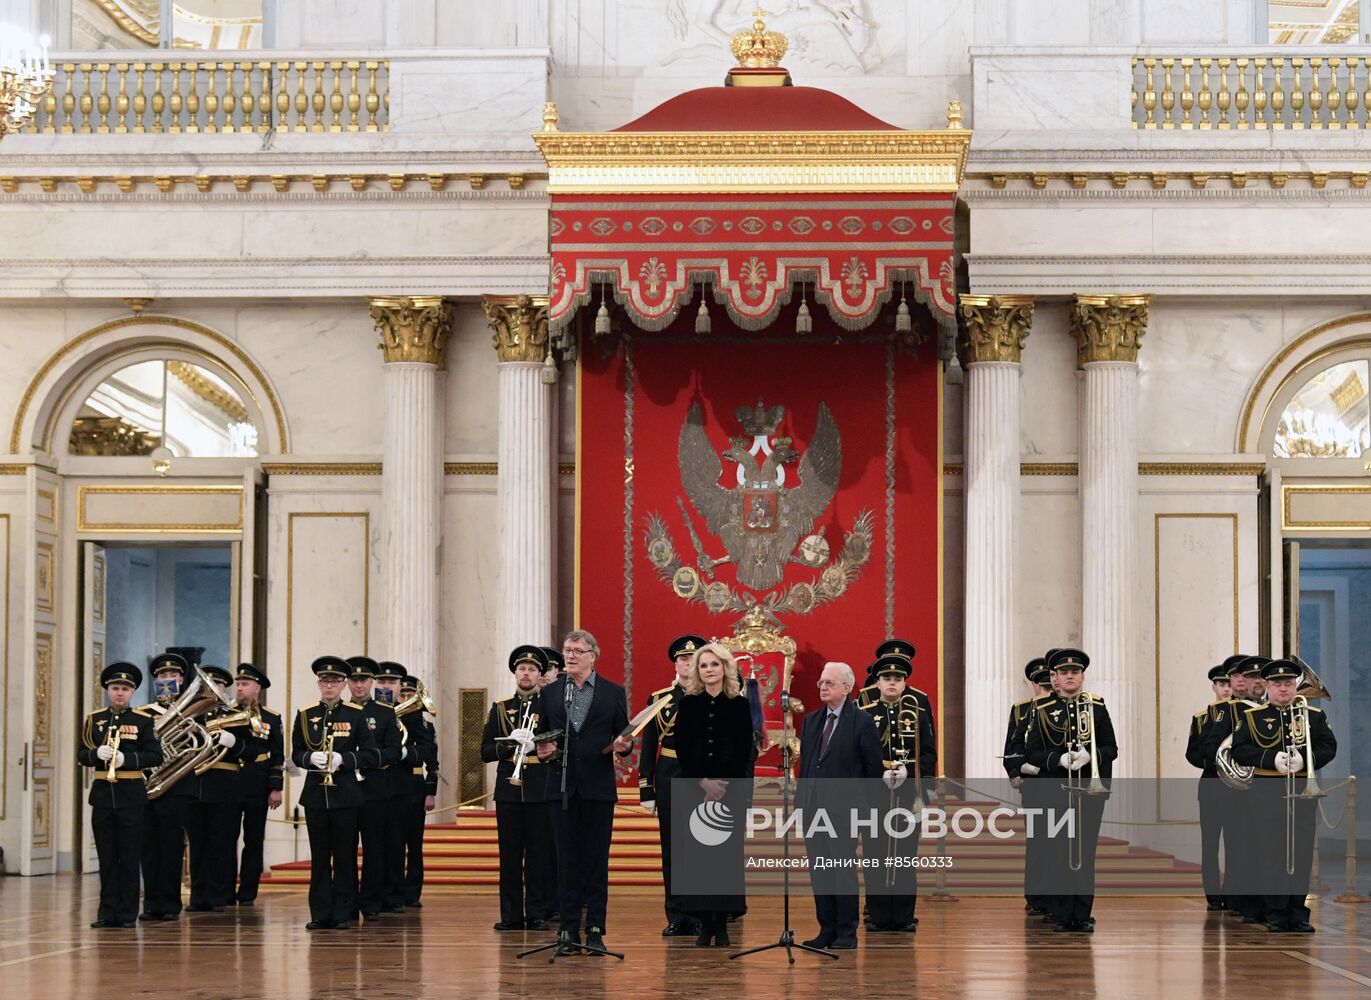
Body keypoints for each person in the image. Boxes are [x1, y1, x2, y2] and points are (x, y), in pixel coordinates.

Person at [533, 629, 631, 957]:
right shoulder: (549, 693)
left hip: (598, 789)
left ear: (593, 655)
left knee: (595, 862)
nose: (570, 655)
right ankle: (568, 928)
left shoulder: (613, 693)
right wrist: (541, 749)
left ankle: (595, 930)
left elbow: (624, 736)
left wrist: (624, 745)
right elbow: (542, 737)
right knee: (565, 862)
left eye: (578, 650)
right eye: (567, 650)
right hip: (560, 788)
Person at [1229, 658, 1337, 933]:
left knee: (1300, 852)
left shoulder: (1313, 715)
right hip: (1266, 791)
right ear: (1267, 685)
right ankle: (1276, 912)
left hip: (1302, 788)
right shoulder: (1251, 717)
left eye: (1289, 683)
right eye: (1278, 684)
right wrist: (1269, 758)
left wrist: (1305, 760)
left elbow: (1329, 746)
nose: (1285, 689)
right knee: (1271, 852)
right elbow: (1240, 750)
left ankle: (1298, 912)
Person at [1024, 648, 1117, 933]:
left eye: (1074, 672)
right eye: (1064, 673)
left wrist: (1092, 756)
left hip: (1090, 790)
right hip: (1055, 790)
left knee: (1085, 852)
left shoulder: (1097, 707)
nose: (1069, 676)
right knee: (1058, 852)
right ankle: (1064, 915)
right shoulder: (1041, 710)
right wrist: (1058, 759)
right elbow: (1032, 752)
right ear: (1055, 677)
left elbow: (1111, 748)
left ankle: (1082, 913)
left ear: (1082, 676)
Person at [673, 642, 754, 947]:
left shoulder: (739, 705)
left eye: (714, 664)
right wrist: (703, 782)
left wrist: (722, 786)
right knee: (698, 860)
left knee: (725, 860)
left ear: (725, 668)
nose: (709, 670)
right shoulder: (689, 704)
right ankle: (703, 923)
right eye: (704, 665)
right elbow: (682, 747)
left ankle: (721, 924)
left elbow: (744, 748)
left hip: (728, 792)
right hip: (695, 791)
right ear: (698, 671)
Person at [798, 661, 882, 950]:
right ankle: (827, 929)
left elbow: (873, 771)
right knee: (820, 871)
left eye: (829, 683)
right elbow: (806, 766)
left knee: (842, 871)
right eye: (821, 682)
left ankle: (847, 933)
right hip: (813, 810)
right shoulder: (810, 720)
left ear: (847, 688)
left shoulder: (862, 722)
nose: (822, 687)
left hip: (845, 812)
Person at [291, 655, 377, 930]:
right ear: (319, 684)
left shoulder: (355, 714)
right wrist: (308, 760)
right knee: (319, 857)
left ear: (343, 685)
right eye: (324, 681)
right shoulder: (306, 715)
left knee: (344, 856)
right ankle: (320, 913)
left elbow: (370, 754)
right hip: (316, 794)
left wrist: (345, 760)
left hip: (347, 794)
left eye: (335, 681)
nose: (329, 686)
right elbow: (296, 751)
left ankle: (343, 913)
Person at [80, 662, 164, 928]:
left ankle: (127, 913)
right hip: (104, 794)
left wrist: (127, 758)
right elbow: (81, 754)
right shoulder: (94, 720)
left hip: (130, 795)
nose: (120, 693)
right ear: (107, 690)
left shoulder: (142, 720)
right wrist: (95, 754)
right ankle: (107, 913)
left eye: (125, 689)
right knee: (107, 858)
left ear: (133, 692)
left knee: (129, 857)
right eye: (116, 688)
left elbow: (155, 755)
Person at [481, 645, 556, 931]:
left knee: (538, 854)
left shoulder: (548, 705)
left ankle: (536, 912)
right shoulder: (500, 707)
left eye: (532, 669)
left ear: (540, 675)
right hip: (508, 791)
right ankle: (510, 915)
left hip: (539, 788)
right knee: (509, 855)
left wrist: (537, 744)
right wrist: (510, 743)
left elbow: (559, 744)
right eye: (522, 669)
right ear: (515, 672)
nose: (527, 673)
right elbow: (485, 750)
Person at [860, 654, 935, 934]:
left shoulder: (919, 712)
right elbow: (857, 756)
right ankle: (878, 915)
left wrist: (912, 774)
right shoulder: (864, 714)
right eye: (887, 678)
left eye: (898, 679)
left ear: (905, 683)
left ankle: (904, 916)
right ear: (877, 683)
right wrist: (877, 772)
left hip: (907, 793)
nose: (892, 683)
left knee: (905, 854)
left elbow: (929, 754)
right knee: (875, 853)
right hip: (875, 793)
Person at [639, 633, 706, 938]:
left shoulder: (713, 696)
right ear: (676, 663)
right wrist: (645, 787)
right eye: (682, 659)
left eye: (692, 659)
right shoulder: (659, 699)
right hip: (668, 774)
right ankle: (677, 915)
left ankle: (701, 913)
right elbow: (648, 744)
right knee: (672, 850)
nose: (686, 663)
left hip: (701, 778)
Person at [137, 651, 197, 921]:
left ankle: (171, 903)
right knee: (148, 848)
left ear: (182, 679)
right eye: (162, 675)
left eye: (173, 675)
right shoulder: (143, 714)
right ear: (155, 680)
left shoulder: (192, 712)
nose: (167, 679)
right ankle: (151, 904)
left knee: (172, 847)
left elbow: (198, 748)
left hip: (177, 787)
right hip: (148, 787)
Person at [186, 663, 251, 911]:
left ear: (224, 689)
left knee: (222, 844)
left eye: (217, 686)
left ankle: (221, 895)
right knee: (198, 844)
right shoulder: (193, 715)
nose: (211, 691)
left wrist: (233, 743)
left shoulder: (235, 715)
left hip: (225, 788)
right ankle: (198, 896)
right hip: (196, 786)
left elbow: (254, 750)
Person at [346, 655, 405, 921]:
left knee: (374, 848)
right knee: (344, 849)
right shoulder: (341, 711)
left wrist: (367, 758)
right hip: (345, 789)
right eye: (354, 680)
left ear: (371, 682)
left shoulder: (383, 711)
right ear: (348, 683)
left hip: (375, 788)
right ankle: (346, 901)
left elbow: (393, 751)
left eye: (364, 680)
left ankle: (371, 901)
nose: (359, 685)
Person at [1004, 656, 1053, 916]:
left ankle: (1057, 898)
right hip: (1033, 786)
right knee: (1037, 843)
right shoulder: (1021, 709)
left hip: (1057, 782)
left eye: (1048, 686)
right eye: (1040, 686)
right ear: (1033, 685)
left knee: (1059, 842)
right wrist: (1015, 771)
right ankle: (1035, 897)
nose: (1044, 691)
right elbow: (1011, 748)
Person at [232, 662, 284, 906]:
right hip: (229, 784)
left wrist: (276, 787)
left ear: (257, 688)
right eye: (238, 684)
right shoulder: (226, 713)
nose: (240, 688)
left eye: (245, 684)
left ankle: (247, 892)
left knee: (254, 840)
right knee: (226, 838)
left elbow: (277, 755)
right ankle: (224, 888)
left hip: (258, 785)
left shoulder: (271, 718)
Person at [1184, 662, 1232, 911]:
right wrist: (1215, 761)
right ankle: (1213, 895)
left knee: (1238, 843)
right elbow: (1192, 753)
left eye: (1229, 683)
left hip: (1239, 788)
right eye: (1222, 684)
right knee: (1210, 844)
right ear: (1214, 687)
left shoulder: (1245, 714)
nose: (1227, 688)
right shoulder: (1202, 718)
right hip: (1213, 784)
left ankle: (1234, 893)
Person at [394, 669, 438, 908]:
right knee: (394, 843)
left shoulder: (425, 726)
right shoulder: (390, 720)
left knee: (414, 844)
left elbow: (432, 759)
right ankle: (395, 890)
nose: (407, 697)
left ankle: (412, 893)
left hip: (414, 788)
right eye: (404, 694)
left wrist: (430, 791)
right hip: (392, 787)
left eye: (410, 693)